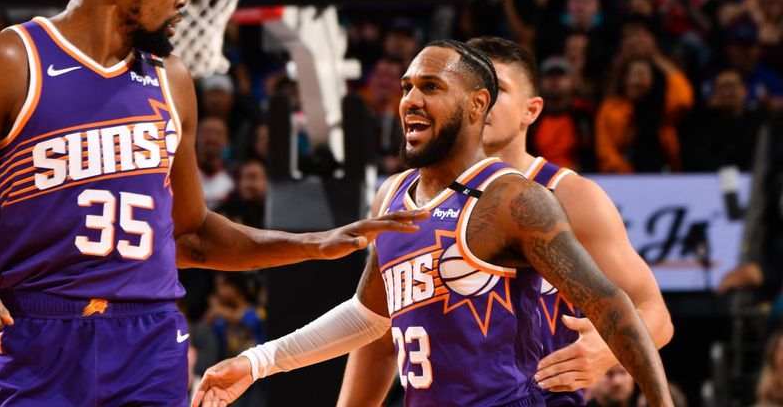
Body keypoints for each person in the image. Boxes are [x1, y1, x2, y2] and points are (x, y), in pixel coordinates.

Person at [0, 0, 426, 406]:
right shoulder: (9, 62)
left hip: (148, 339)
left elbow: (191, 236)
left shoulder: (170, 80)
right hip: (38, 331)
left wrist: (313, 244)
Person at [193, 40, 674, 406]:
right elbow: (371, 320)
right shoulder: (397, 194)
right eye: (407, 87)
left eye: (431, 87)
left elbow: (624, 307)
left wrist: (616, 359)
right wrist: (257, 362)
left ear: (477, 103)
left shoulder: (527, 197)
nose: (411, 99)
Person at [336, 37, 671, 407]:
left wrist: (606, 352)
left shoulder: (569, 194)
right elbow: (379, 336)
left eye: (498, 90)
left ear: (531, 110)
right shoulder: (410, 195)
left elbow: (655, 314)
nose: (482, 101)